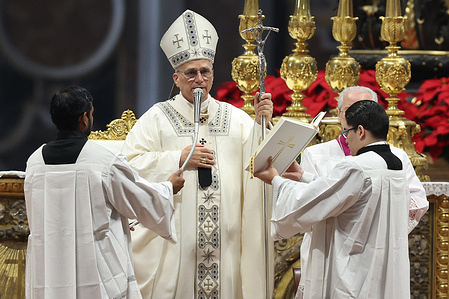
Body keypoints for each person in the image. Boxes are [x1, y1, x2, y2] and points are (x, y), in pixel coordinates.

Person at [121, 9, 274, 299]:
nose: (199, 79)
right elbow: (128, 166)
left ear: (213, 74)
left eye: (205, 72)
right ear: (176, 78)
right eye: (191, 73)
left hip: (225, 245)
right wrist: (178, 159)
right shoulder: (157, 117)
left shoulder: (236, 118)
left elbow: (255, 165)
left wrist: (261, 124)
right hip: (175, 248)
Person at [24, 86, 185, 299]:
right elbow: (138, 198)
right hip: (94, 268)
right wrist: (167, 187)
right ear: (84, 118)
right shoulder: (102, 159)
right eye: (91, 114)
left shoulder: (35, 162)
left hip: (49, 267)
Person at [255, 100, 412, 298]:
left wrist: (276, 180)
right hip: (383, 267)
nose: (345, 139)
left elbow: (309, 202)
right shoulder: (396, 164)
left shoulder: (357, 166)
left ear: (361, 131)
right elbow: (344, 195)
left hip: (355, 271)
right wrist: (303, 176)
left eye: (346, 132)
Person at [296, 86, 428, 296]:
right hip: (329, 248)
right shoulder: (316, 154)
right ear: (339, 115)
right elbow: (310, 200)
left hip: (381, 248)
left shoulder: (397, 157)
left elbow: (417, 202)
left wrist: (380, 228)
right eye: (349, 110)